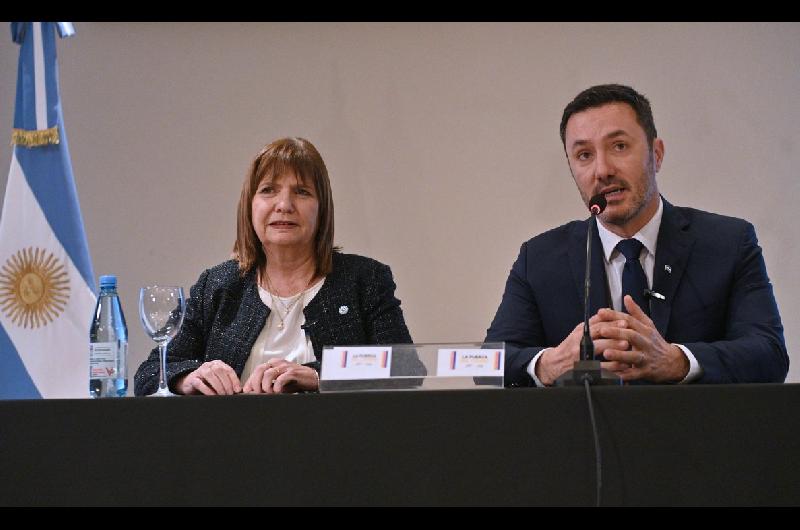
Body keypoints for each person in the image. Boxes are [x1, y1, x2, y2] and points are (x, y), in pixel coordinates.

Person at [485, 84, 788, 387]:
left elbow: (769, 354)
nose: (602, 170)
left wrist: (677, 361)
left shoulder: (728, 243)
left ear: (656, 155)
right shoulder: (539, 259)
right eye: (584, 155)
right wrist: (548, 364)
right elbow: (487, 364)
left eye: (619, 146)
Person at [134, 137, 418, 395]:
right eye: (268, 190)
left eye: (302, 192)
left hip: (338, 443)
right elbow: (150, 373)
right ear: (250, 205)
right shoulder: (217, 286)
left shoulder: (364, 280)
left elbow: (405, 368)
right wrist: (190, 377)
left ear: (322, 208)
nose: (284, 205)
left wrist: (319, 376)